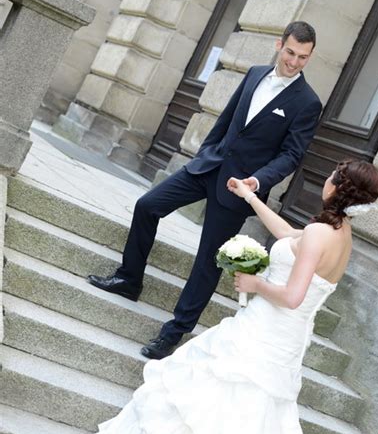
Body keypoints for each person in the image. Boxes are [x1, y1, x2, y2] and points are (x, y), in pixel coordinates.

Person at [75, 159, 378, 434]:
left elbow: (293, 296)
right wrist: (250, 198)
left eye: (331, 176)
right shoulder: (340, 236)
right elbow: (288, 234)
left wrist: (256, 285)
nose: (326, 180)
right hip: (286, 342)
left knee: (215, 404)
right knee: (247, 421)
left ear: (337, 187)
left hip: (265, 332)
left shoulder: (319, 233)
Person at [87, 21, 322, 360]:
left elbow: (291, 155)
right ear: (278, 45)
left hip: (240, 187)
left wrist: (255, 183)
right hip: (208, 167)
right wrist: (206, 151)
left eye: (303, 57)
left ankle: (175, 331)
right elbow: (227, 120)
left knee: (208, 261)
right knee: (147, 205)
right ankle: (129, 279)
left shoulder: (307, 102)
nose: (294, 62)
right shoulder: (255, 73)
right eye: (290, 52)